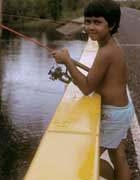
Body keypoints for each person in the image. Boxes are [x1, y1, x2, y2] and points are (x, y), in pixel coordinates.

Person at [52, 0, 135, 180]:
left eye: (97, 22)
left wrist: (66, 60)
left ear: (111, 24)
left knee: (85, 158)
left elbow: (87, 87)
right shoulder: (111, 46)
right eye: (88, 21)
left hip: (112, 115)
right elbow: (106, 78)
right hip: (122, 110)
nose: (90, 27)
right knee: (118, 157)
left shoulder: (106, 52)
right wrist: (74, 63)